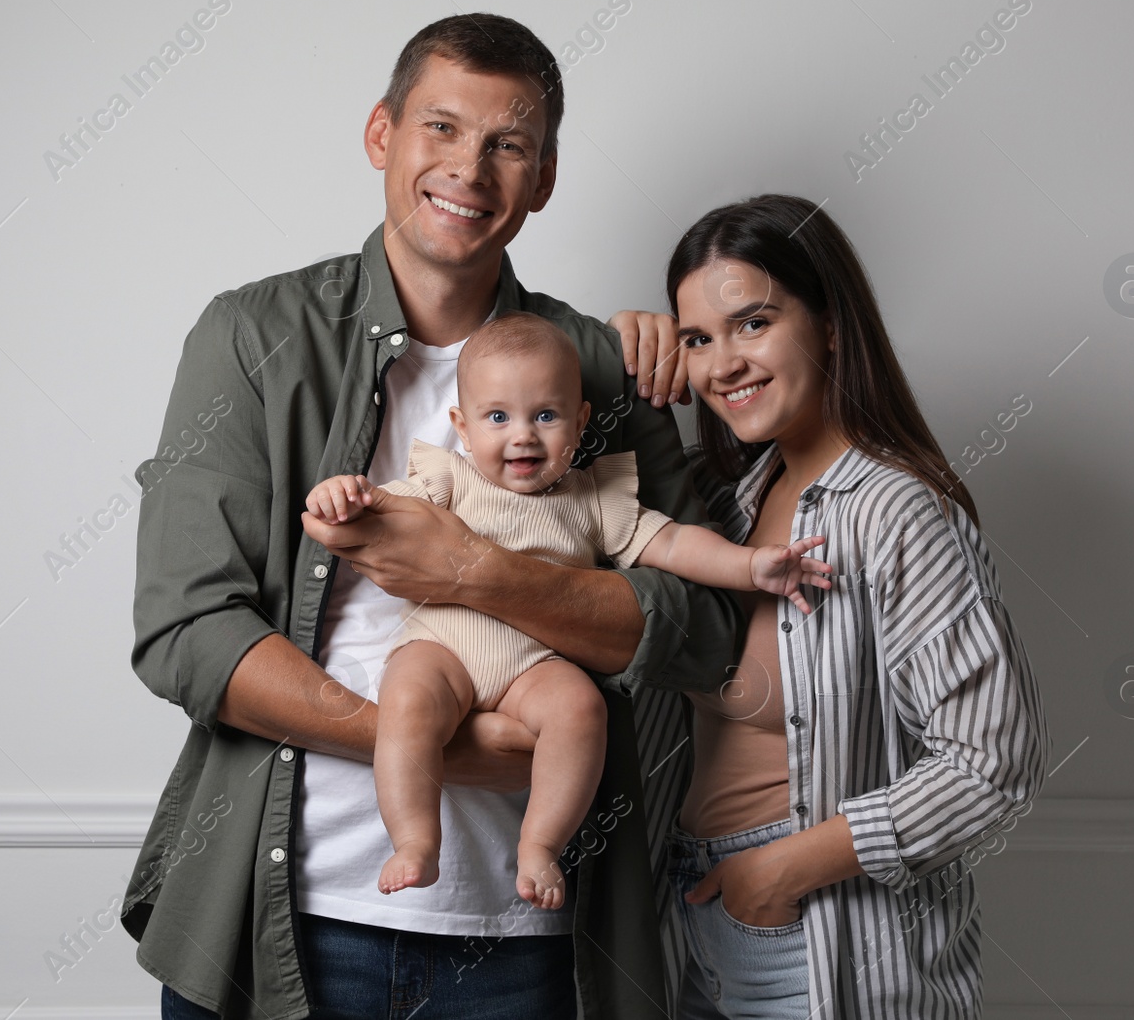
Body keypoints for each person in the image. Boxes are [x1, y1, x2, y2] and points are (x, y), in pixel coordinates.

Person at [121, 13, 745, 1020]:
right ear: (382, 134)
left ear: (543, 177)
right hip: (280, 911)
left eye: (509, 144)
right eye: (441, 129)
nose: (469, 168)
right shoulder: (252, 337)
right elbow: (187, 630)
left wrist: (475, 571)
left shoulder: (599, 371)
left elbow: (701, 634)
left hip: (527, 942)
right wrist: (423, 741)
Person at [609, 193, 1051, 1018]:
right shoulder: (726, 506)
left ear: (832, 324)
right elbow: (560, 491)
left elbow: (992, 759)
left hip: (819, 937)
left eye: (754, 323)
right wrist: (614, 356)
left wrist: (781, 871)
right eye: (698, 338)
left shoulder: (893, 510)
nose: (721, 364)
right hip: (693, 921)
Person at [303, 313, 832, 911]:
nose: (523, 436)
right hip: (443, 648)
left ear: (581, 422)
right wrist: (341, 495)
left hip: (535, 662)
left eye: (545, 416)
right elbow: (377, 511)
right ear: (463, 427)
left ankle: (540, 843)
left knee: (581, 708)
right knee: (407, 702)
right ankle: (416, 838)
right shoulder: (448, 480)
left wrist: (750, 565)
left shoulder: (594, 499)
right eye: (498, 417)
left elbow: (678, 544)